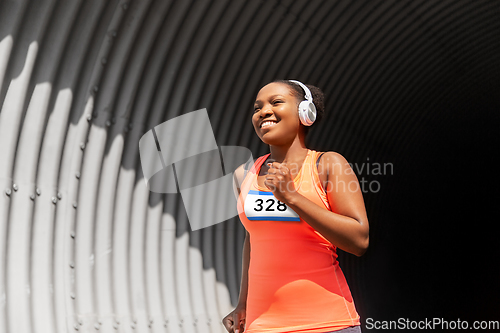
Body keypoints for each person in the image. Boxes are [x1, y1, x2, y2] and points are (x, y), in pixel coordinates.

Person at [222, 79, 369, 333]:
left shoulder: (328, 165)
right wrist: (242, 304)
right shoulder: (243, 174)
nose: (263, 112)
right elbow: (253, 241)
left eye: (276, 102)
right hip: (261, 325)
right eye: (257, 108)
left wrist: (293, 197)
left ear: (305, 113)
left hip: (328, 324)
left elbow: (359, 240)